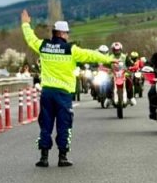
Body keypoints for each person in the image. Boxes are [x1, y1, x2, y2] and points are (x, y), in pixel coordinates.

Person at [20, 10, 115, 167]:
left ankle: (43, 157)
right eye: (67, 33)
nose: (68, 36)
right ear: (62, 33)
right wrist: (109, 60)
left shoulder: (43, 46)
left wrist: (25, 23)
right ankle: (62, 157)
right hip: (63, 94)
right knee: (64, 125)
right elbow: (91, 55)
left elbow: (30, 39)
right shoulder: (71, 50)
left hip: (47, 93)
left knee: (46, 124)